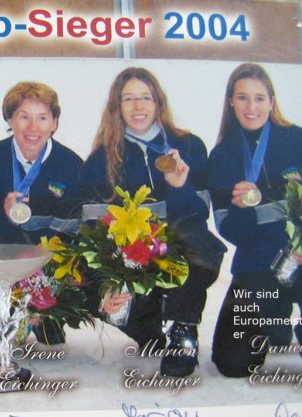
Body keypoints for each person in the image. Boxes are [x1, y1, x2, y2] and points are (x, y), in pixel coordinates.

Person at [80, 67, 226, 377]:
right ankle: (150, 327)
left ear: (158, 102)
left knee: (197, 245)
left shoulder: (190, 146)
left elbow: (199, 214)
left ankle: (182, 329)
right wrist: (109, 284)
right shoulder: (100, 159)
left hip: (177, 248)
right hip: (131, 256)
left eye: (146, 97)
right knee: (85, 280)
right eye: (128, 99)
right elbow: (93, 231)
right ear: (117, 106)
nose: (138, 106)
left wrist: (178, 187)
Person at [0, 81, 84, 354]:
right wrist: (5, 216)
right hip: (4, 258)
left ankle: (47, 313)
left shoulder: (72, 165)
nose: (33, 128)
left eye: (42, 118)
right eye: (24, 117)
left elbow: (75, 230)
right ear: (9, 119)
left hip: (49, 261)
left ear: (54, 123)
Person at [208, 63, 302, 377]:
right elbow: (233, 233)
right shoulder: (222, 156)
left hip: (300, 258)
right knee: (233, 363)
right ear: (231, 102)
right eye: (243, 97)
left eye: (259, 98)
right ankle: (275, 322)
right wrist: (243, 207)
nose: (252, 107)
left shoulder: (296, 139)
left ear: (272, 102)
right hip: (257, 265)